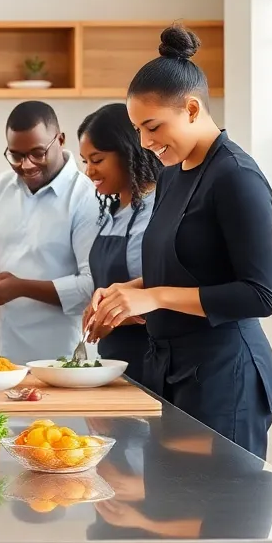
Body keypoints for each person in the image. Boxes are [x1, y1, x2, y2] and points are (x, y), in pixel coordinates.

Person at [88, 23, 272, 459]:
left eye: (153, 126)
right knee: (169, 496)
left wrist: (154, 297)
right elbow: (184, 269)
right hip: (173, 372)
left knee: (218, 501)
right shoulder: (172, 176)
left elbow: (259, 295)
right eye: (137, 129)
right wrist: (127, 292)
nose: (145, 142)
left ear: (192, 109)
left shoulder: (236, 177)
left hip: (226, 378)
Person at [0, 101, 98, 366]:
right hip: (3, 355)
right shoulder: (0, 187)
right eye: (16, 155)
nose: (26, 165)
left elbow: (90, 285)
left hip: (62, 358)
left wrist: (20, 288)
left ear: (60, 140)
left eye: (37, 153)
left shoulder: (86, 195)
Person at [76, 103, 161, 384]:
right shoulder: (112, 213)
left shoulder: (159, 208)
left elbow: (167, 290)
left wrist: (113, 317)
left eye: (97, 160)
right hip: (112, 361)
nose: (89, 171)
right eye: (85, 161)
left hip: (151, 357)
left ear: (127, 153)